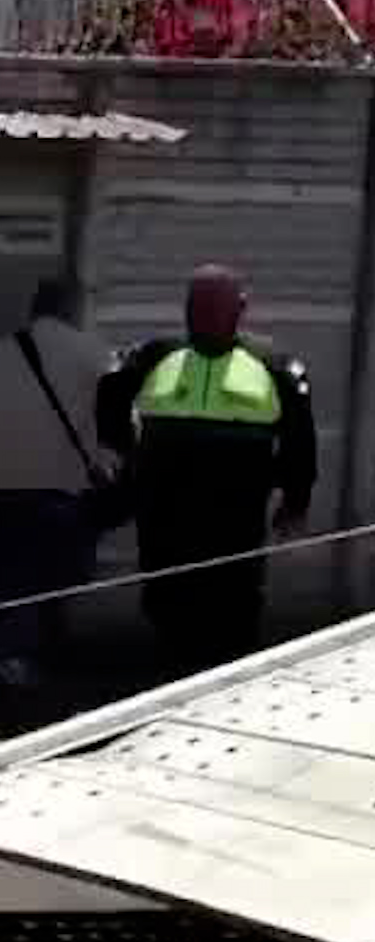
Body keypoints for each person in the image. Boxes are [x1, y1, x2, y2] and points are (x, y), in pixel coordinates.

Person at [96, 264, 318, 672]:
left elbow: (299, 438)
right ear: (186, 310)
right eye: (199, 308)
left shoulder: (273, 364)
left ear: (241, 309)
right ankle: (175, 674)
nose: (207, 317)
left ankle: (227, 678)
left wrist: (295, 501)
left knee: (234, 605)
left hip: (233, 513)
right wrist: (125, 454)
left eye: (217, 307)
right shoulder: (156, 354)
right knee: (166, 598)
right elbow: (110, 395)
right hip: (166, 511)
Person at [0, 278, 116, 686]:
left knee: (15, 568)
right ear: (73, 309)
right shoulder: (94, 354)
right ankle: (16, 651)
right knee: (55, 570)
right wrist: (109, 463)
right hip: (62, 485)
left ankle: (24, 650)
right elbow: (121, 418)